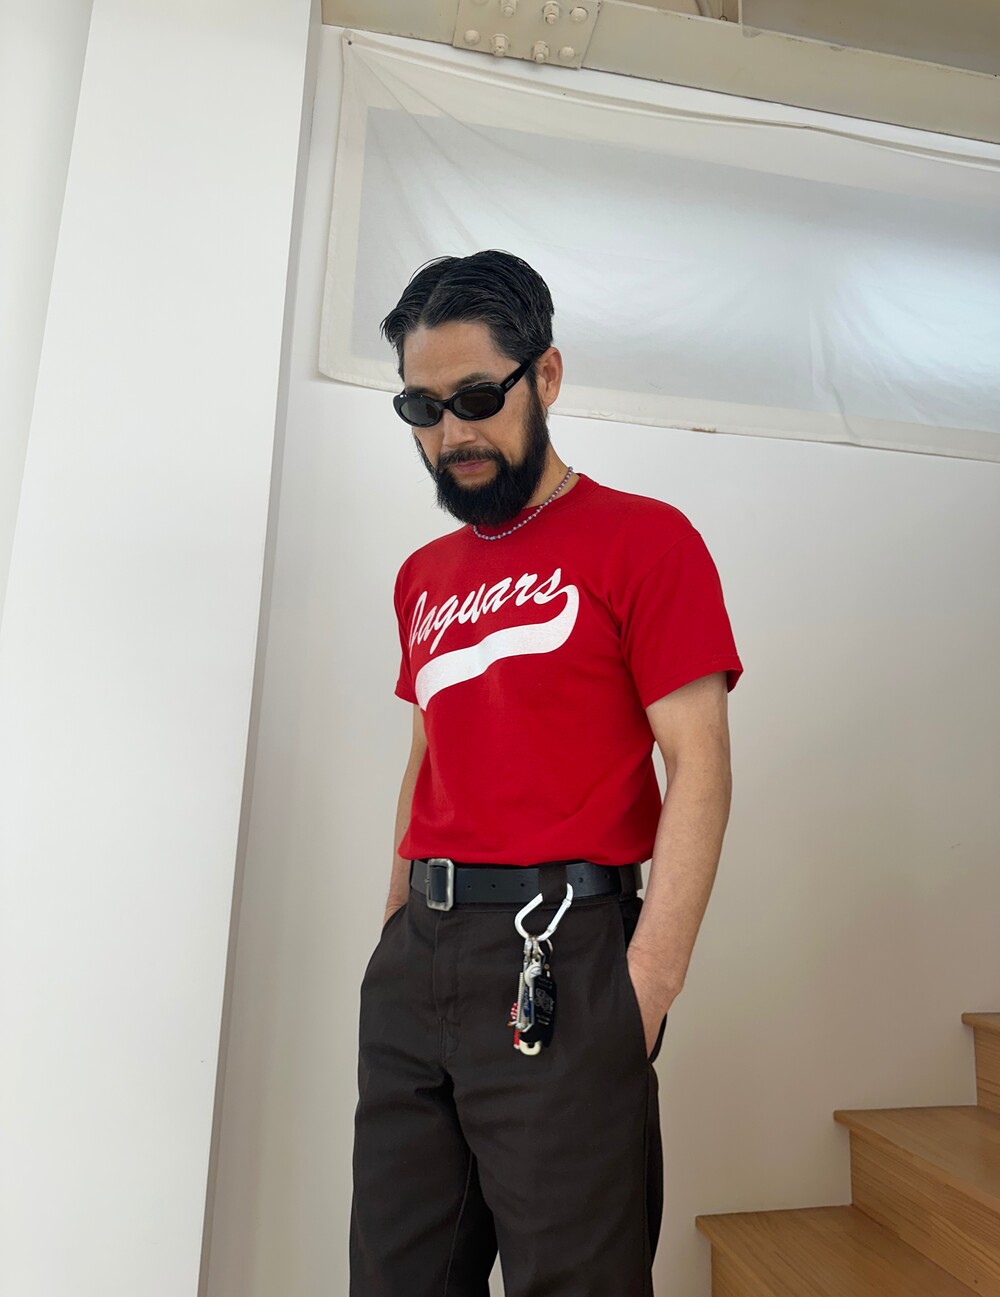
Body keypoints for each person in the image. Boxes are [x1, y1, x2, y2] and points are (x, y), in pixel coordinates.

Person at [349, 250, 742, 1297]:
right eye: (423, 408)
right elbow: (430, 750)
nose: (452, 434)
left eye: (478, 397)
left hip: (564, 957)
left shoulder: (645, 541)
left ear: (547, 375)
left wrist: (646, 986)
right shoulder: (423, 577)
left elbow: (700, 763)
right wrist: (395, 923)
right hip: (418, 966)